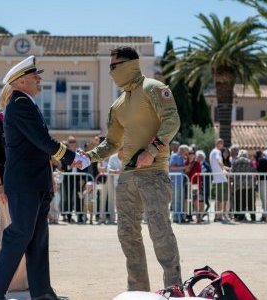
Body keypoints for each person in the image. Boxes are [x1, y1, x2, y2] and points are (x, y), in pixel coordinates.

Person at [0, 55, 86, 300]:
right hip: (25, 184)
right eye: (34, 76)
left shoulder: (25, 103)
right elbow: (43, 141)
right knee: (19, 233)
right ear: (19, 82)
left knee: (38, 238)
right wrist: (72, 158)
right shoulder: (19, 104)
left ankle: (41, 292)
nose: (39, 79)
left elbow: (40, 145)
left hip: (34, 182)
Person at [84, 46, 182, 291]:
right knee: (127, 235)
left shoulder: (154, 88)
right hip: (126, 177)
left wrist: (152, 150)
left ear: (130, 64)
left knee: (160, 232)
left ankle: (174, 288)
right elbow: (112, 142)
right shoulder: (117, 105)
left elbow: (173, 120)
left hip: (154, 173)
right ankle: (138, 291)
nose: (110, 73)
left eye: (113, 66)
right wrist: (88, 158)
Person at [0, 82, 29, 292]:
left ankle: (21, 282)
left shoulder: (27, 118)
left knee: (24, 234)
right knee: (8, 232)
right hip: (6, 184)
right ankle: (0, 282)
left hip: (26, 183)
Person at [231, 150, 256, 222]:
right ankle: (253, 216)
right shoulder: (249, 162)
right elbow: (254, 171)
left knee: (240, 201)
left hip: (239, 185)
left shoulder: (235, 162)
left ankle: (241, 216)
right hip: (249, 184)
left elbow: (232, 173)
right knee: (250, 201)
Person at [210, 139, 230, 222]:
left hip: (217, 178)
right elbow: (218, 161)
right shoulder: (217, 152)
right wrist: (223, 170)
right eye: (220, 143)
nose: (221, 144)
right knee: (223, 199)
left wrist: (226, 168)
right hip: (221, 178)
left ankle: (217, 216)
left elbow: (217, 163)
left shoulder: (213, 152)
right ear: (217, 144)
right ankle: (220, 215)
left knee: (218, 199)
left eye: (222, 143)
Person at [170, 144, 188, 223]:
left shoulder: (182, 158)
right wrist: (184, 167)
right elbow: (171, 167)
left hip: (181, 181)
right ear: (182, 150)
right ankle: (176, 218)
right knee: (175, 200)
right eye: (186, 152)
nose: (186, 154)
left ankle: (180, 217)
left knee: (180, 200)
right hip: (175, 181)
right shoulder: (174, 156)